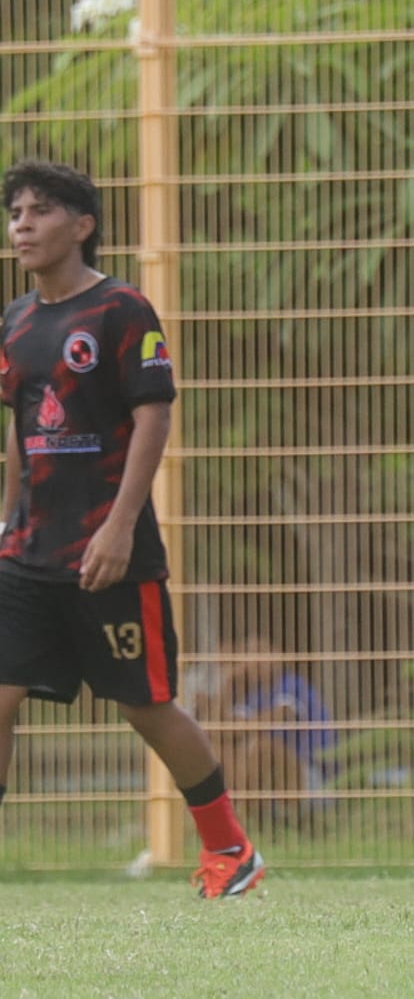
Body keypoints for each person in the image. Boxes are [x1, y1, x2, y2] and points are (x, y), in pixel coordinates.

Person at [0, 160, 265, 898]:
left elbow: (154, 415)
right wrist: (6, 519)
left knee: (144, 705)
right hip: (26, 551)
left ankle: (231, 851)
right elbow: (22, 428)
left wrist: (118, 528)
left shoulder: (121, 311)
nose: (21, 223)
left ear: (82, 227)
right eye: (15, 210)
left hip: (108, 551)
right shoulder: (16, 322)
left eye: (40, 210)